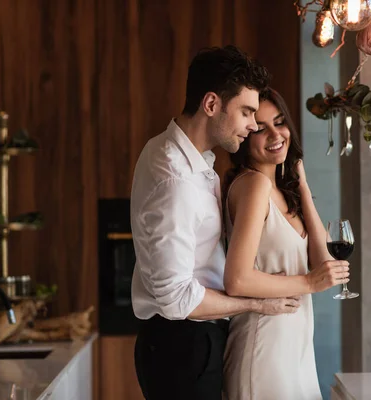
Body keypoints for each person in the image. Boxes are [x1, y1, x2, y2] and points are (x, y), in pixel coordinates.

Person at [130, 45, 301, 400]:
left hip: (186, 345)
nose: (253, 126)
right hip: (183, 348)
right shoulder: (174, 180)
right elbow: (178, 301)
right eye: (247, 112)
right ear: (211, 105)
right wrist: (256, 304)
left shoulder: (179, 155)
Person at [222, 88, 350, 400]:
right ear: (245, 138)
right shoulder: (253, 185)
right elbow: (236, 280)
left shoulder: (280, 189)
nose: (276, 134)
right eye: (260, 128)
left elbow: (324, 269)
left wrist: (302, 186)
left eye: (279, 123)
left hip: (296, 349)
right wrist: (307, 281)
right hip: (264, 348)